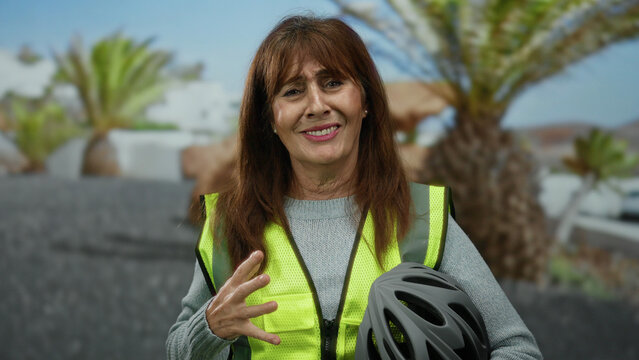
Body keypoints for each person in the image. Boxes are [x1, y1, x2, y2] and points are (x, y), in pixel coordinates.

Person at [166, 15, 542, 360]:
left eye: (333, 83)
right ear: (270, 119)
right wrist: (211, 328)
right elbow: (177, 348)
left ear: (364, 101)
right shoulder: (229, 221)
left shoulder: (424, 218)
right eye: (293, 91)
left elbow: (516, 348)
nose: (317, 105)